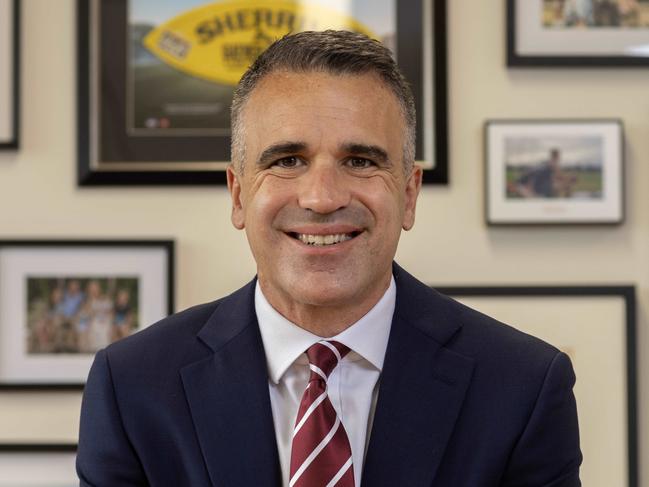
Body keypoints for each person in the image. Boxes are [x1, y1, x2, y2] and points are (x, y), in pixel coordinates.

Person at [77, 30, 582, 486]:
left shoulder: (524, 387)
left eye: (360, 161)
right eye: (287, 160)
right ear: (237, 195)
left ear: (408, 195)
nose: (322, 197)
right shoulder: (133, 387)